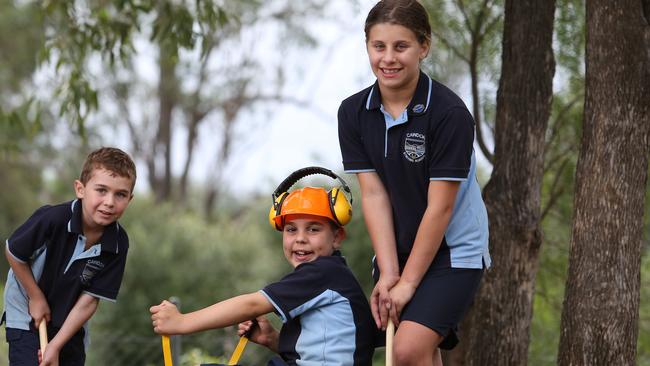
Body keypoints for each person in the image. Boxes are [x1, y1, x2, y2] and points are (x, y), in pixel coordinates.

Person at [337, 1, 492, 365]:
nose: (388, 58)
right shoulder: (353, 113)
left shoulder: (450, 115)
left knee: (406, 350)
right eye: (379, 46)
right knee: (414, 353)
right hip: (397, 249)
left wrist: (409, 284)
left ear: (424, 47)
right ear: (367, 47)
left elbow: (441, 207)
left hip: (454, 252)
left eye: (401, 46)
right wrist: (391, 273)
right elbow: (374, 194)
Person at [150, 167, 375, 366]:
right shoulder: (329, 278)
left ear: (337, 237)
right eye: (291, 230)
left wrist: (182, 322)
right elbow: (322, 352)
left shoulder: (324, 273)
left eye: (313, 229)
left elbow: (251, 304)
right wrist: (272, 339)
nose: (300, 238)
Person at [2, 147, 137, 366]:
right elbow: (13, 252)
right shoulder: (53, 219)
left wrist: (55, 345)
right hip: (26, 313)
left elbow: (89, 300)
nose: (110, 202)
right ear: (80, 189)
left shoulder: (119, 243)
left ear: (129, 199)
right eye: (101, 190)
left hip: (69, 324)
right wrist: (36, 298)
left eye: (120, 194)